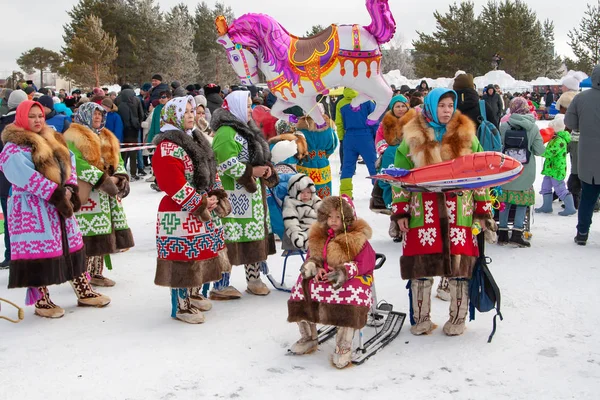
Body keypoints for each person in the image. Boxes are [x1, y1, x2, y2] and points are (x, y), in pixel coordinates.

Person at [390, 88, 493, 337]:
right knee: (421, 268)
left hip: (460, 211)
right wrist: (400, 212)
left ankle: (458, 318)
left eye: (450, 105)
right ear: (431, 106)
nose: (447, 110)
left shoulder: (466, 135)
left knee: (460, 268)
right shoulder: (412, 137)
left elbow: (480, 175)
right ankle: (422, 318)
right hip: (422, 212)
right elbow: (399, 177)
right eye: (442, 105)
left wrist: (482, 209)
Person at [0, 100, 110, 317]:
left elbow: (70, 163)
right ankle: (42, 300)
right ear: (22, 118)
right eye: (32, 116)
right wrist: (54, 192)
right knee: (38, 252)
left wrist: (69, 186)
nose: (37, 120)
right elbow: (21, 175)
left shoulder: (53, 138)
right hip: (31, 208)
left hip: (60, 204)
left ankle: (83, 289)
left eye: (40, 116)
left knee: (72, 245)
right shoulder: (13, 147)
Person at [152, 96, 232, 324]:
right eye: (184, 112)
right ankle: (181, 305)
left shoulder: (198, 140)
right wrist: (200, 202)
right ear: (172, 116)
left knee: (202, 253)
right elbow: (172, 182)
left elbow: (212, 170)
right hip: (179, 211)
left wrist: (216, 194)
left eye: (191, 111)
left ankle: (195, 293)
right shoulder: (167, 147)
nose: (190, 115)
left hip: (202, 207)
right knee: (183, 259)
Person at [287, 195, 375, 369]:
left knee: (349, 294)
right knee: (301, 287)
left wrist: (343, 272)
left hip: (349, 278)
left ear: (347, 219)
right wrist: (315, 267)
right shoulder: (319, 236)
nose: (333, 221)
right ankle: (309, 337)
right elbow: (313, 257)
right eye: (330, 216)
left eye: (338, 217)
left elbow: (366, 262)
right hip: (325, 278)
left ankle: (344, 345)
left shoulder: (357, 239)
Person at [210, 90, 279, 298]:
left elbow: (258, 157)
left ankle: (254, 278)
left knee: (253, 237)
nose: (250, 109)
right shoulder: (225, 132)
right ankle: (221, 285)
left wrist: (266, 169)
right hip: (233, 197)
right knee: (230, 239)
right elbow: (224, 162)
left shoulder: (248, 130)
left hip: (252, 197)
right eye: (247, 105)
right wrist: (252, 171)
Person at [64, 102, 135, 287]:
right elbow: (76, 164)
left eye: (100, 114)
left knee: (104, 233)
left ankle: (96, 272)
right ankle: (81, 275)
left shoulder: (106, 136)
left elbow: (118, 159)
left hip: (107, 195)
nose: (97, 117)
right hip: (88, 194)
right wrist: (102, 179)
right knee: (87, 236)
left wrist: (119, 177)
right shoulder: (72, 137)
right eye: (94, 114)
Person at [497, 97, 546, 247]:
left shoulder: (504, 126)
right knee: (521, 203)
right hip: (525, 172)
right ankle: (517, 233)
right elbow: (539, 150)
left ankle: (503, 233)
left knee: (504, 202)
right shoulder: (533, 127)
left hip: (507, 172)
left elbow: (499, 147)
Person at [565, 65, 600, 245]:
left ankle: (582, 233)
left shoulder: (580, 98)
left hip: (588, 158)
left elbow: (570, 121)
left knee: (587, 198)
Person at [371, 95, 415, 214]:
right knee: (388, 179)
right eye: (397, 106)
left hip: (409, 154)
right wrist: (385, 150)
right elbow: (379, 138)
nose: (400, 109)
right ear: (392, 108)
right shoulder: (385, 122)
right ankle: (390, 202)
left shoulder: (415, 120)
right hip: (390, 156)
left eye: (403, 106)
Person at [0, 90, 28, 269]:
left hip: (3, 181)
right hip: (28, 183)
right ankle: (27, 255)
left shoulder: (2, 124)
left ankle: (11, 255)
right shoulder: (28, 126)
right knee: (27, 220)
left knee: (10, 219)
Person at [535, 116, 576, 217]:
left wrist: (540, 151)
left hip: (557, 170)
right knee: (546, 186)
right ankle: (547, 206)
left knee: (560, 188)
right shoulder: (555, 138)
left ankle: (570, 208)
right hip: (550, 169)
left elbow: (550, 153)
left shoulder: (560, 141)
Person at [338, 98, 379, 198]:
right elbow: (374, 120)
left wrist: (342, 138)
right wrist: (375, 138)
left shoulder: (341, 103)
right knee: (374, 165)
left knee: (347, 167)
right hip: (366, 136)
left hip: (349, 136)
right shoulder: (368, 100)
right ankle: (378, 192)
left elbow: (339, 123)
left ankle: (345, 193)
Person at [295, 105, 338, 198]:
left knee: (305, 191)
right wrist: (324, 154)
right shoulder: (328, 129)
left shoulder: (300, 130)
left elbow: (297, 146)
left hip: (305, 162)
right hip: (322, 162)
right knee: (323, 190)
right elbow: (333, 144)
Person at [282, 173, 322, 251]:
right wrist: (296, 233)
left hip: (319, 226)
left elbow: (323, 210)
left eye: (308, 192)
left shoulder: (314, 199)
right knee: (313, 243)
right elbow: (291, 221)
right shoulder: (291, 202)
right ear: (294, 191)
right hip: (303, 228)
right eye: (302, 192)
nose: (305, 195)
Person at [116, 87, 144, 180]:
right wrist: (138, 123)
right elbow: (141, 114)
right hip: (134, 131)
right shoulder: (136, 101)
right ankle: (133, 173)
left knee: (123, 154)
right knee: (133, 154)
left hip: (123, 131)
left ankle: (122, 172)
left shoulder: (119, 104)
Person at [334, 88, 358, 168]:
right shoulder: (365, 100)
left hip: (346, 132)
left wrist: (341, 136)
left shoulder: (340, 103)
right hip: (363, 132)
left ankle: (344, 167)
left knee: (345, 150)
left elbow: (339, 122)